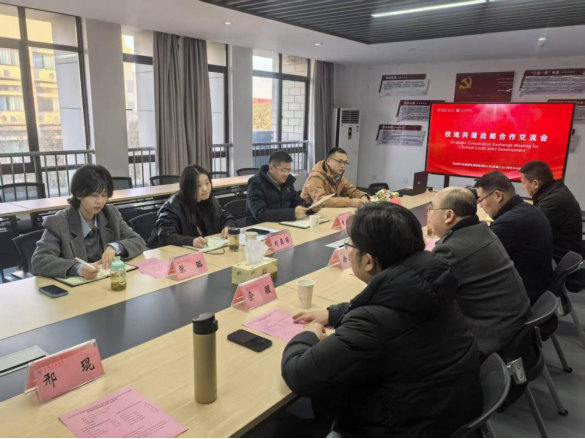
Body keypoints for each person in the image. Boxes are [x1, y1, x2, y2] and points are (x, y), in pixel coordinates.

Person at [282, 203, 482, 438]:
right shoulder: (433, 283)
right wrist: (336, 313)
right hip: (446, 413)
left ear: (368, 261)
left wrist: (309, 335)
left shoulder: (373, 325)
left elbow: (300, 375)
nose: (348, 251)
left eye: (350, 245)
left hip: (402, 428)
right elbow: (393, 307)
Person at [428, 187, 532, 358]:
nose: (429, 215)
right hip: (514, 331)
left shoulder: (451, 249)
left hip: (490, 341)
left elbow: (426, 297)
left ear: (448, 215)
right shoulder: (483, 231)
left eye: (430, 209)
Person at [32, 165, 146, 279]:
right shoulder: (59, 222)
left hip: (107, 281)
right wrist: (78, 268)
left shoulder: (110, 213)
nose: (100, 201)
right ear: (79, 194)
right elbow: (39, 260)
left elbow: (138, 241)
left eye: (104, 195)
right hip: (80, 286)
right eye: (94, 195)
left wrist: (114, 247)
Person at [475, 171, 554, 304]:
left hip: (520, 299)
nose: (480, 205)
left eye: (481, 199)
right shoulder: (528, 209)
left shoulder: (509, 223)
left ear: (498, 196)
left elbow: (476, 260)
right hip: (538, 288)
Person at [153, 165, 237, 249]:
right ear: (188, 188)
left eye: (207, 183)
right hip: (171, 253)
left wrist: (228, 227)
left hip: (204, 250)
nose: (205, 189)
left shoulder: (210, 200)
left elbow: (225, 216)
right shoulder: (171, 207)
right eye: (198, 185)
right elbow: (166, 235)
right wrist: (191, 241)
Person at [520, 161, 582, 263]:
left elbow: (528, 229)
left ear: (535, 184)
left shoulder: (554, 201)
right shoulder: (555, 192)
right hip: (557, 251)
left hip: (557, 257)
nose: (523, 187)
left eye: (523, 183)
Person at [246, 151, 321, 226]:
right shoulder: (256, 184)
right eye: (283, 170)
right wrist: (292, 213)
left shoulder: (287, 182)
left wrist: (311, 208)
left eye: (289, 170)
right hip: (260, 227)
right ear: (271, 168)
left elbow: (297, 202)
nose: (286, 174)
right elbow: (261, 214)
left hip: (283, 224)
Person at [301, 148, 370, 208]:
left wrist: (362, 196)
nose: (343, 166)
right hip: (309, 213)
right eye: (339, 161)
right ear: (328, 161)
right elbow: (320, 200)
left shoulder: (338, 176)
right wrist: (349, 202)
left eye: (345, 163)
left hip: (327, 211)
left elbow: (350, 190)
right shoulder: (315, 176)